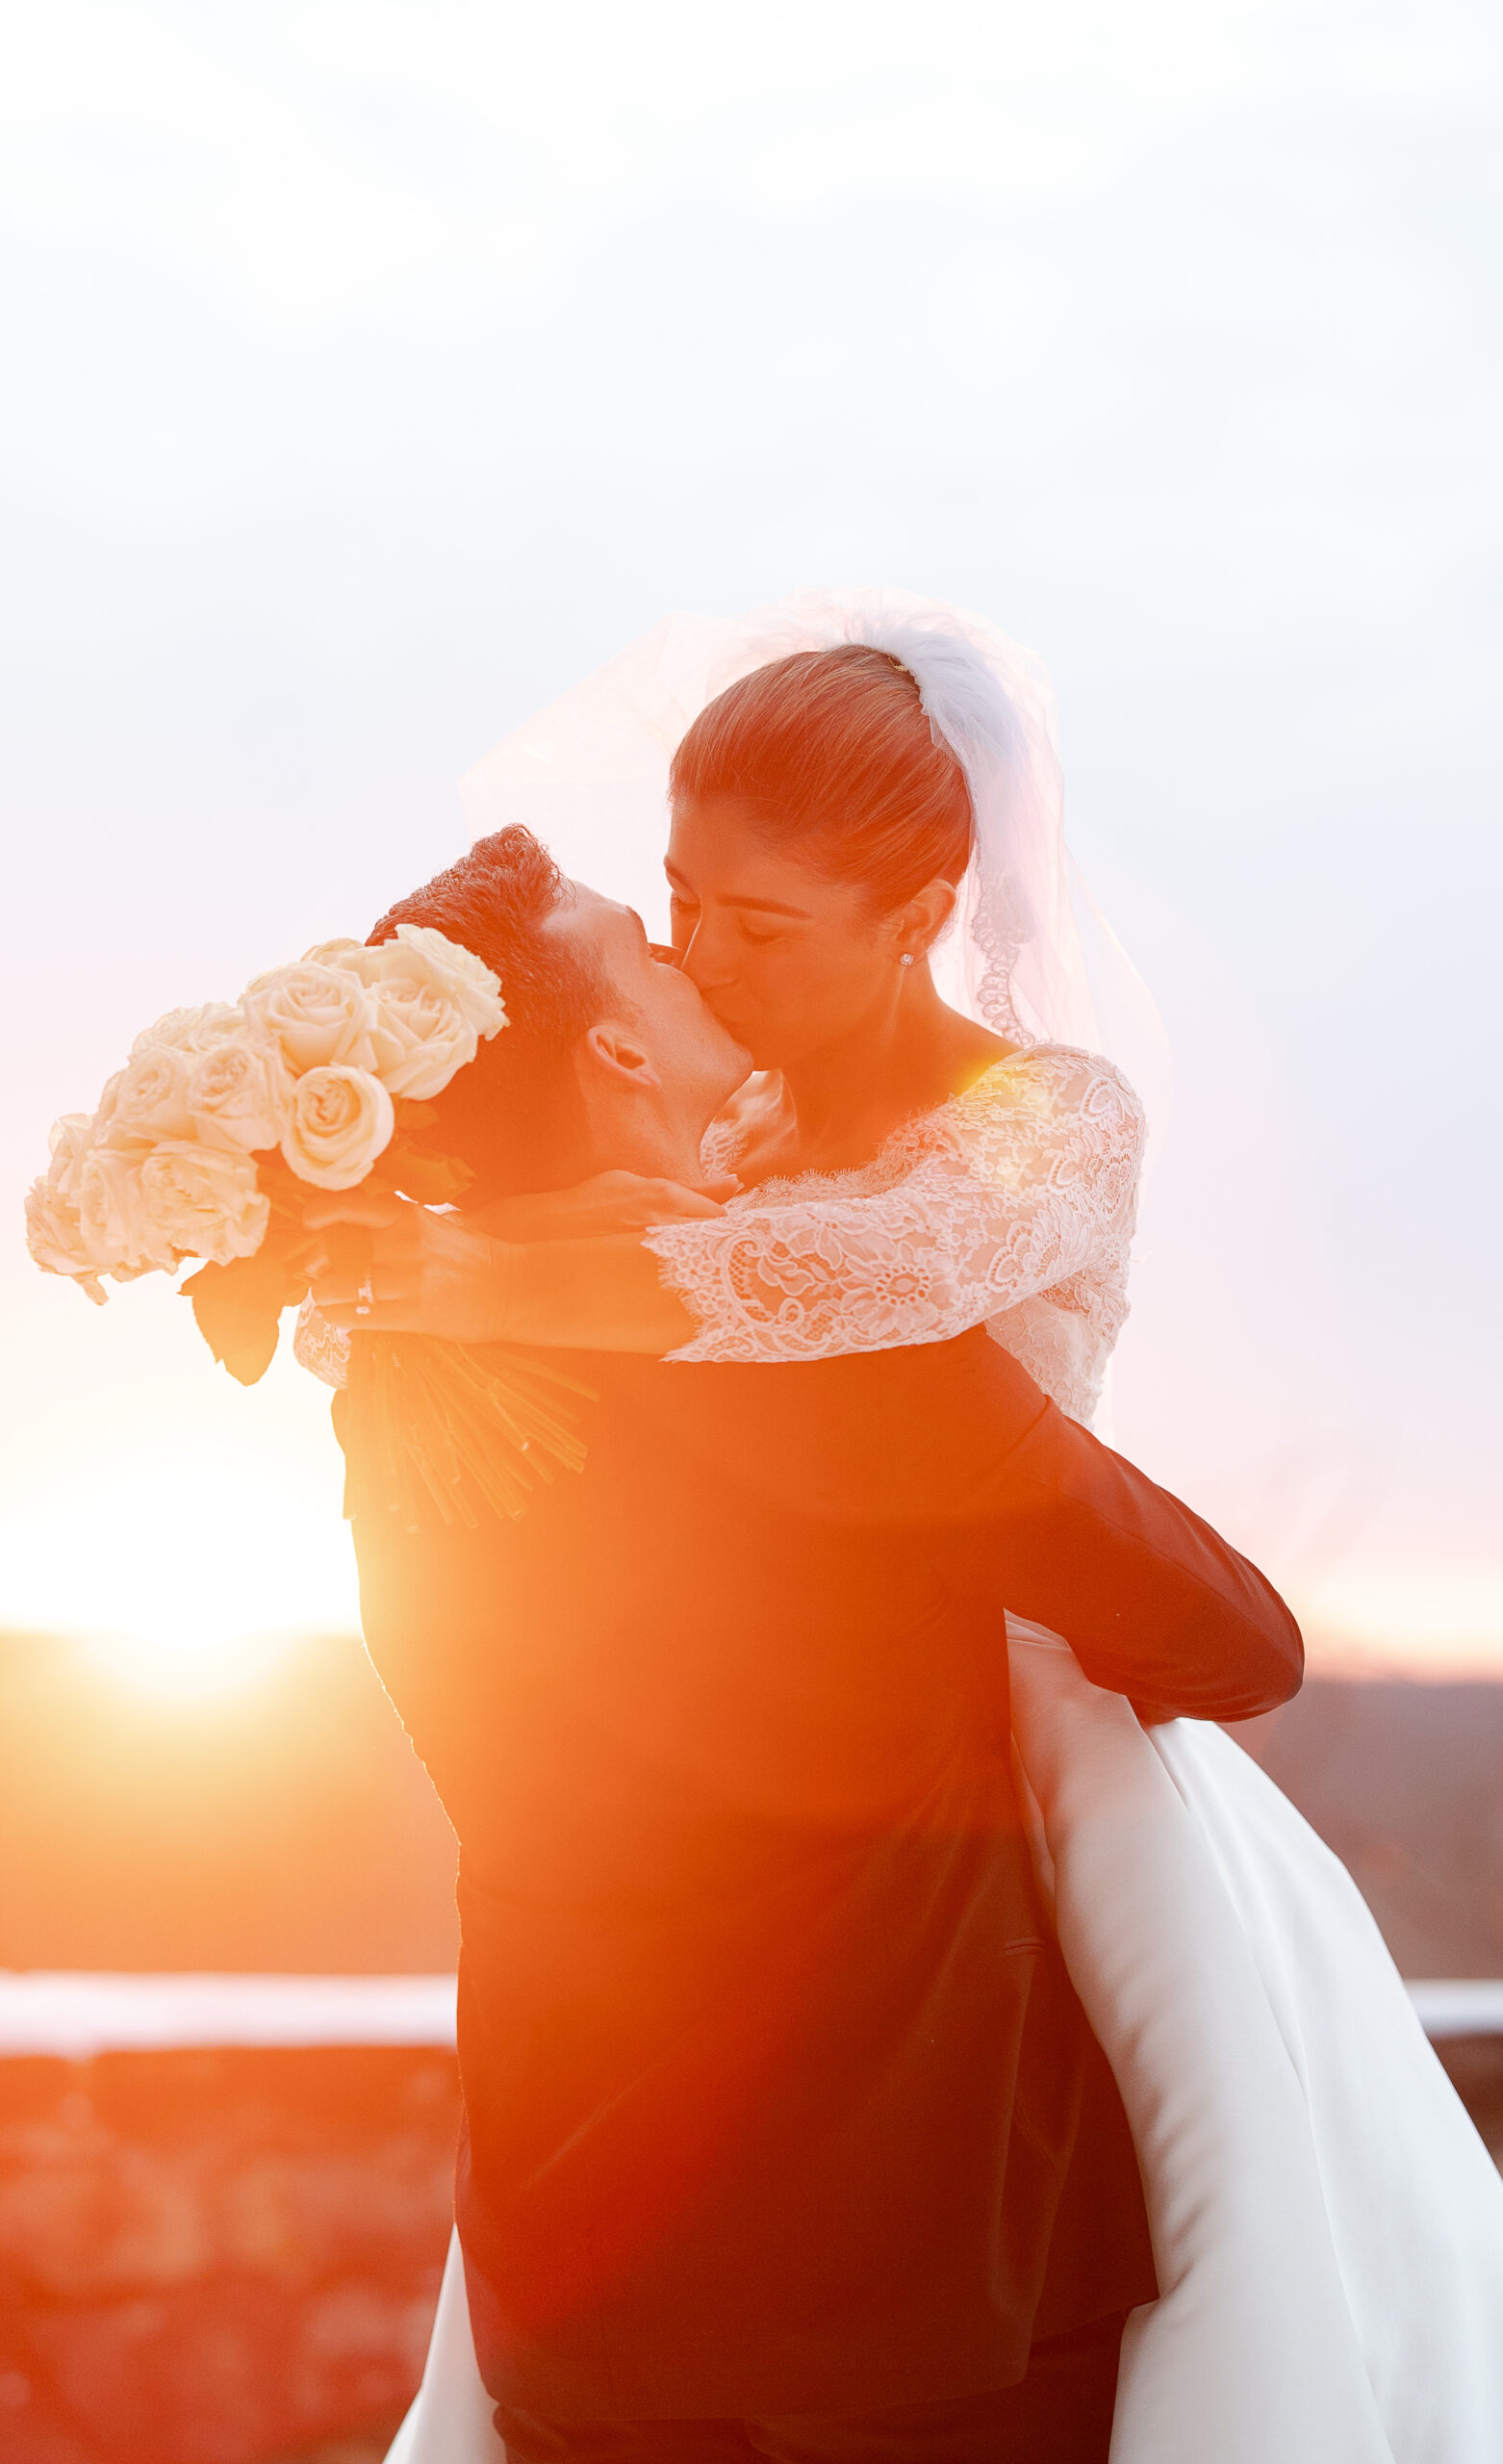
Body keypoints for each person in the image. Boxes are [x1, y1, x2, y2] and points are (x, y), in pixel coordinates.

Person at [310, 594, 1503, 2464]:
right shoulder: (717, 1114)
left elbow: (846, 1281)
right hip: (786, 1833)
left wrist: (467, 1271)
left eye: (759, 922)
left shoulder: (1041, 1119)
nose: (698, 957)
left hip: (1050, 1688)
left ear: (925, 902)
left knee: (1209, 2237)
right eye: (680, 897)